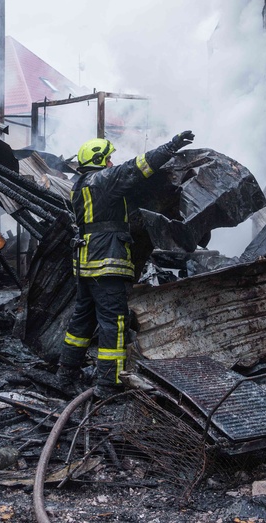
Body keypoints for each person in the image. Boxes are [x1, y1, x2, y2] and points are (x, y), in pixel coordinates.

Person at [57, 130, 196, 397]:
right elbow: (138, 166)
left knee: (82, 321)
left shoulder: (80, 186)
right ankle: (108, 384)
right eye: (108, 158)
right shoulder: (105, 179)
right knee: (114, 323)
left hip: (86, 264)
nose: (112, 163)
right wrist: (171, 146)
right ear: (99, 161)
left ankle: (65, 376)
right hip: (107, 262)